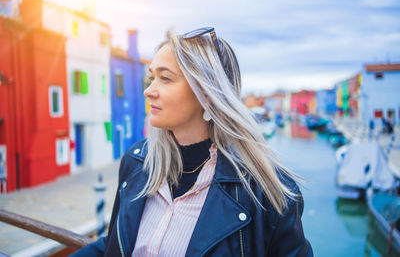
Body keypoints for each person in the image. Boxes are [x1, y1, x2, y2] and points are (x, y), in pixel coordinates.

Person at [71, 27, 312, 257]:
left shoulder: (269, 193)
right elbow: (118, 242)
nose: (149, 90)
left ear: (206, 92)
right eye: (151, 78)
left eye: (165, 78)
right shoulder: (137, 162)